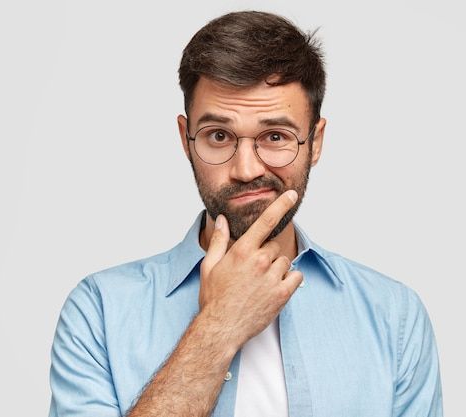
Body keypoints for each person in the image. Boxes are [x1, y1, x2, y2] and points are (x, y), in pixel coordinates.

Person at [48, 10, 443, 417]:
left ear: (316, 142)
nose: (246, 168)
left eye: (275, 136)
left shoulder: (393, 315)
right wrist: (219, 326)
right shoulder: (99, 310)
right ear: (186, 142)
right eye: (219, 136)